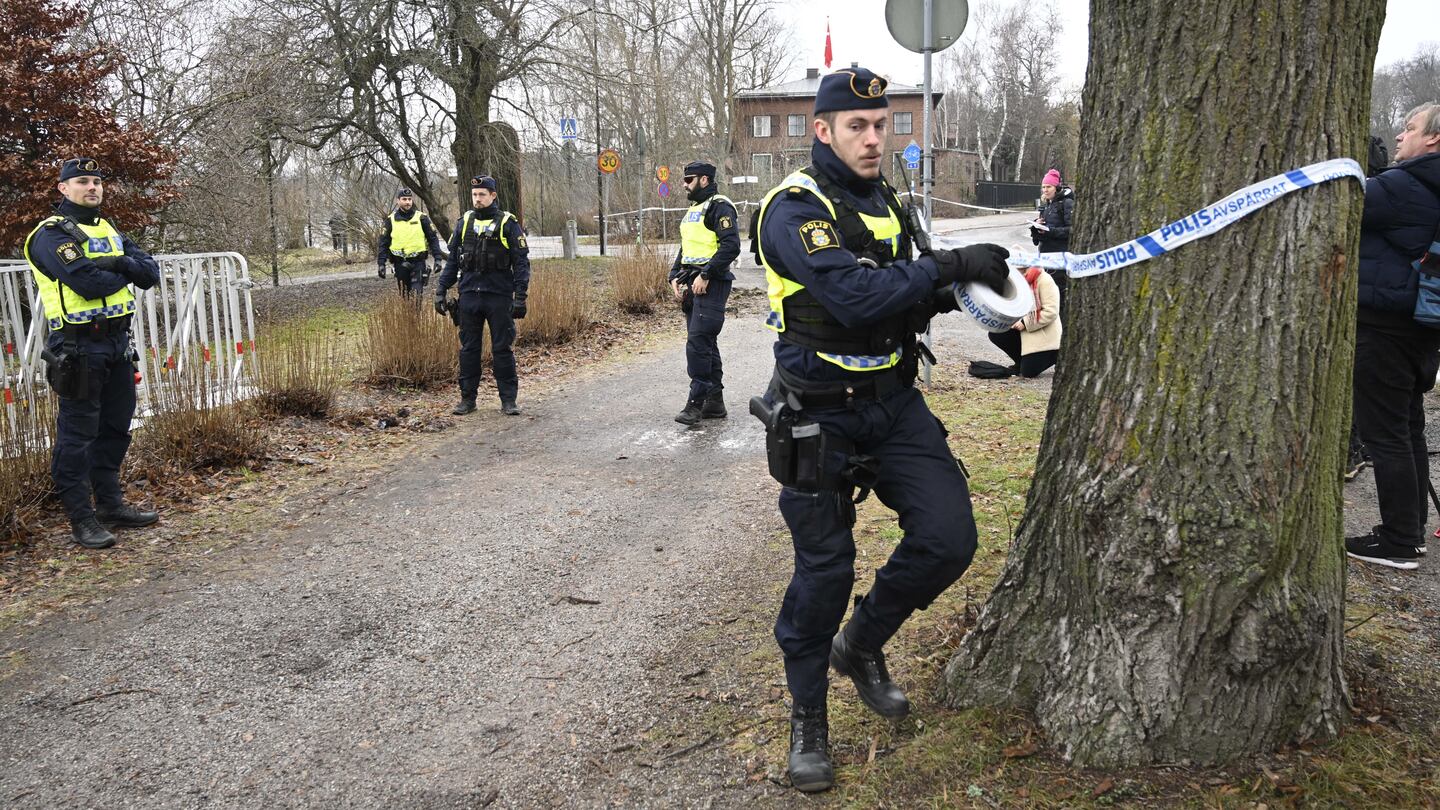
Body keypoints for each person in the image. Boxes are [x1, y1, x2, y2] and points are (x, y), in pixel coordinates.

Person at [752, 67, 1010, 792]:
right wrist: (948, 264)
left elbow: (911, 298)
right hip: (818, 414)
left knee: (949, 538)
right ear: (823, 131)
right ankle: (808, 721)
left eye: (881, 124)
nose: (873, 138)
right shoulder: (793, 208)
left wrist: (994, 305)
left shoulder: (887, 203)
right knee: (824, 574)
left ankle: (861, 645)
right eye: (856, 127)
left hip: (893, 404)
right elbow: (855, 297)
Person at [23, 158, 160, 549]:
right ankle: (81, 519)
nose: (92, 187)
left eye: (97, 181)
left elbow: (149, 274)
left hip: (117, 344)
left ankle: (111, 505)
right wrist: (124, 266)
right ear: (63, 188)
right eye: (82, 181)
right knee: (77, 437)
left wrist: (116, 262)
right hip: (78, 347)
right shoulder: (51, 235)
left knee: (115, 428)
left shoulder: (108, 229)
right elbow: (86, 283)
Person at [1346, 102, 1440, 570]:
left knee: (1385, 436)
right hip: (1422, 329)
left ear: (1434, 140)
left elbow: (1339, 202)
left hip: (1383, 328)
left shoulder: (1403, 186)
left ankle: (1400, 539)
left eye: (1409, 128)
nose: (1400, 137)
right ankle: (1412, 532)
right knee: (1408, 430)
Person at [435, 175, 530, 416]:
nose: (477, 199)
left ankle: (508, 400)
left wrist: (520, 296)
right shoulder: (464, 222)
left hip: (498, 296)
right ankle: (468, 399)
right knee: (468, 350)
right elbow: (453, 261)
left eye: (482, 194)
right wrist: (441, 290)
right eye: (475, 195)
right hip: (469, 296)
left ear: (493, 196)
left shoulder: (508, 223)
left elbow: (521, 263)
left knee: (502, 349)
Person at [668, 160, 740, 424]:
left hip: (713, 282)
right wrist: (674, 275)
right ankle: (714, 403)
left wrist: (706, 274)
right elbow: (686, 247)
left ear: (704, 180)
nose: (684, 184)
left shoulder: (720, 206)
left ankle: (695, 404)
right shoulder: (694, 209)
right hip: (693, 281)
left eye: (689, 180)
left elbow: (731, 246)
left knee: (698, 343)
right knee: (706, 342)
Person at [985, 265, 1061, 378]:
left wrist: (1025, 322)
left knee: (1028, 373)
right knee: (996, 333)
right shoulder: (1014, 282)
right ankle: (1020, 360)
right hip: (1025, 331)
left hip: (1044, 333)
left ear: (1025, 268)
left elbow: (1051, 311)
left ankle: (1056, 355)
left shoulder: (1045, 280)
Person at [376, 187, 444, 297]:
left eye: (409, 199)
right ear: (398, 201)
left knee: (416, 295)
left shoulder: (422, 218)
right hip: (400, 263)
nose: (407, 202)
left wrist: (438, 259)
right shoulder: (390, 220)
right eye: (404, 199)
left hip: (418, 262)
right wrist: (381, 264)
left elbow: (433, 239)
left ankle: (417, 314)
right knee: (405, 297)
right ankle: (409, 314)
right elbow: (383, 243)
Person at [1030, 168, 1074, 317]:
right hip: (1044, 258)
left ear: (1056, 187)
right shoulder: (1046, 205)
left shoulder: (1067, 203)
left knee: (1057, 296)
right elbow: (1040, 237)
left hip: (1059, 259)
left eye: (1048, 186)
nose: (1045, 190)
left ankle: (1061, 327)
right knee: (1044, 295)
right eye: (1043, 187)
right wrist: (1036, 228)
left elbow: (1072, 230)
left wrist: (1051, 230)